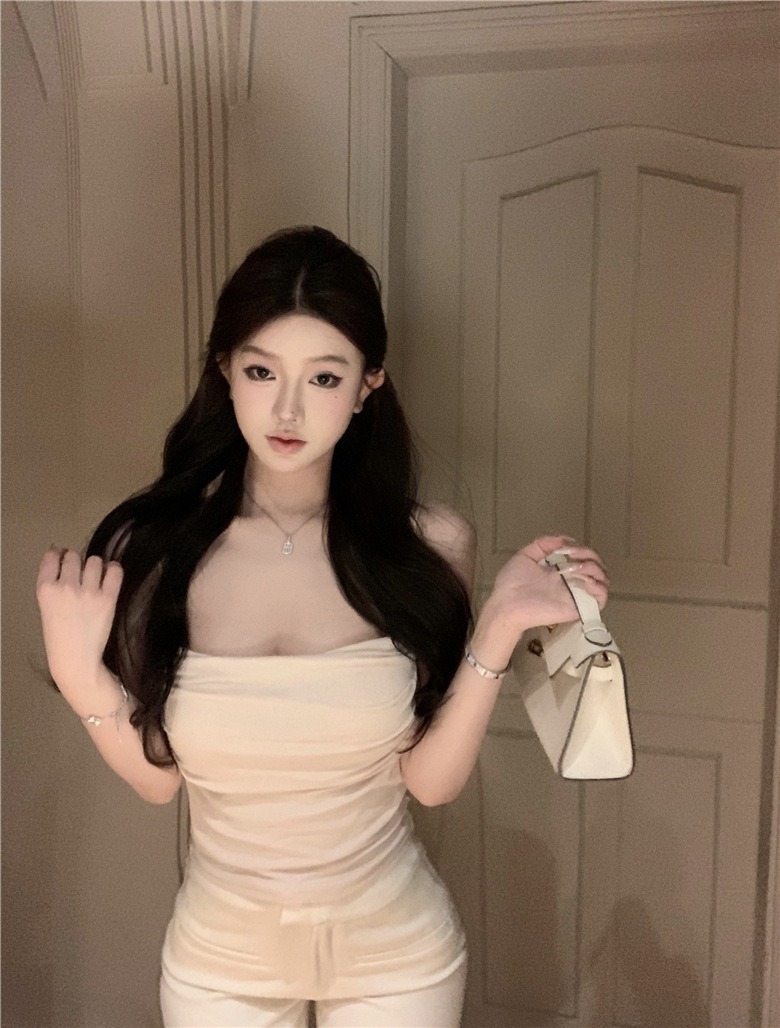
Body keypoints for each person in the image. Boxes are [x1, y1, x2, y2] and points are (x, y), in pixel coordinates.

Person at [36, 225, 609, 1028]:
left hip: (396, 955)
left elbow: (430, 781)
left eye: (325, 377)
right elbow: (159, 780)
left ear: (368, 385)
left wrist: (501, 622)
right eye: (262, 371)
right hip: (219, 960)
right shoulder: (155, 550)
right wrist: (80, 677)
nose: (288, 408)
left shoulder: (430, 544)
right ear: (224, 369)